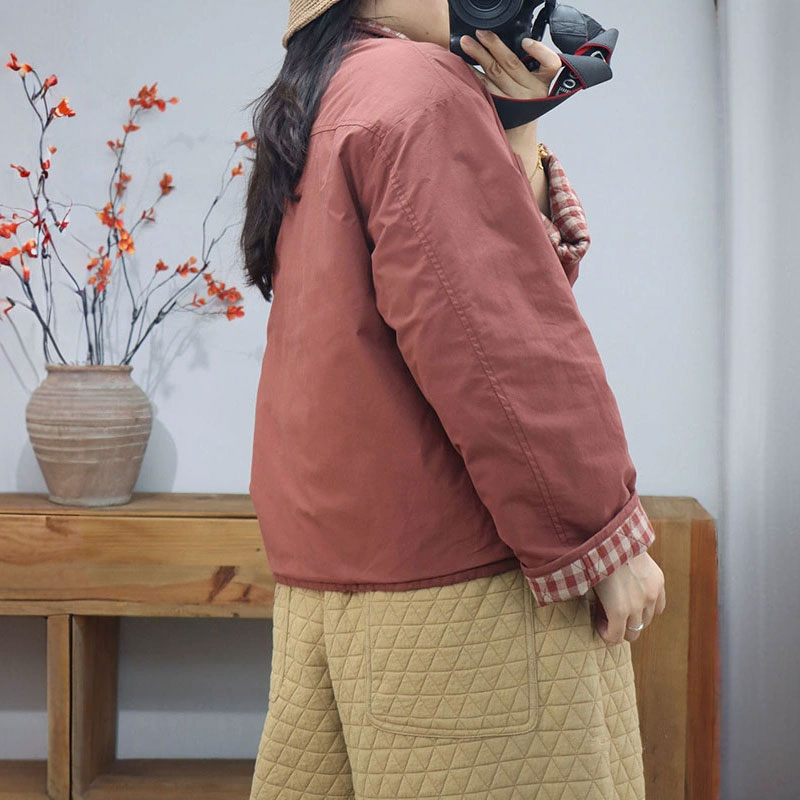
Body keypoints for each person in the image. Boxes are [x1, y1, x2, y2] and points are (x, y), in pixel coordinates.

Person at [241, 1, 667, 797]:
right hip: (464, 601)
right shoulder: (420, 90)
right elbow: (499, 340)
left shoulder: (330, 90)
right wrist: (601, 535)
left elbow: (461, 297)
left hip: (332, 595)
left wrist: (515, 129)